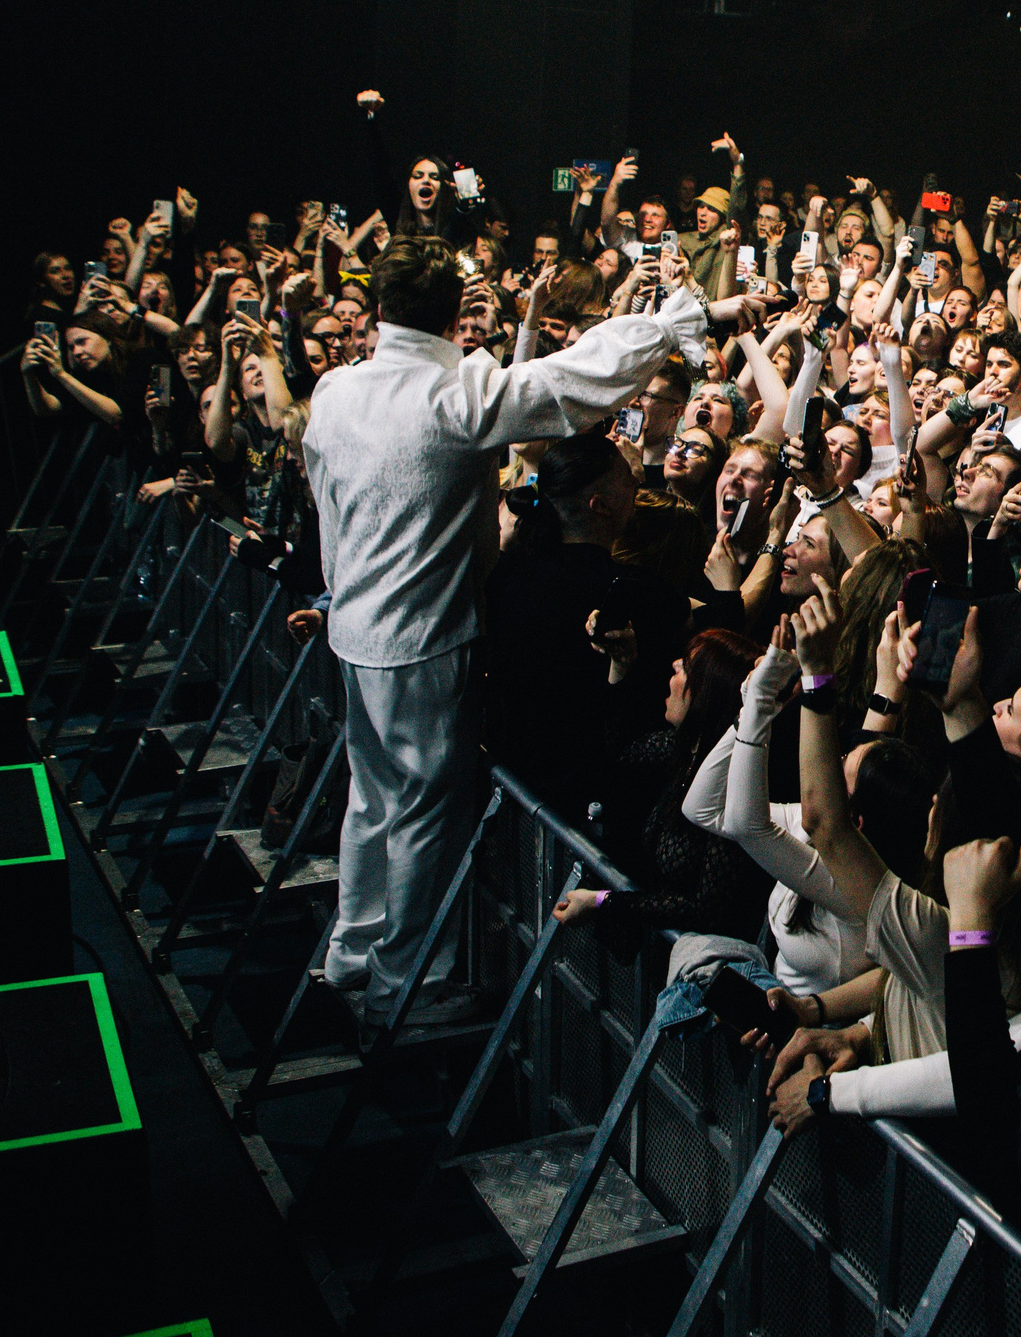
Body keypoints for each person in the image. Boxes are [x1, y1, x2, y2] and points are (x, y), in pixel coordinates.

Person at [300, 235, 761, 1030]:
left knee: (371, 800)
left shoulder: (337, 390)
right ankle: (398, 984)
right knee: (418, 813)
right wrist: (674, 316)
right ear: (455, 316)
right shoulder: (451, 398)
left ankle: (351, 949)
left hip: (355, 627)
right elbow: (568, 382)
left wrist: (343, 588)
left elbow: (327, 508)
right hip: (420, 638)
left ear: (377, 309)